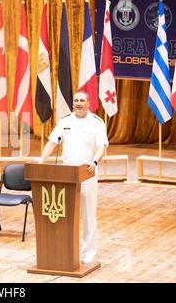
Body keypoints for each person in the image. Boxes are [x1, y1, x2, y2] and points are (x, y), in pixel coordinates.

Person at [38, 91, 108, 264]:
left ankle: (89, 251)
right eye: (76, 100)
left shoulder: (97, 123)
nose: (78, 103)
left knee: (88, 213)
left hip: (87, 173)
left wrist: (95, 161)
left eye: (82, 100)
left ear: (88, 103)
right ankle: (66, 249)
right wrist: (41, 160)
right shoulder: (65, 121)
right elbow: (53, 142)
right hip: (67, 174)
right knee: (65, 214)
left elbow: (102, 146)